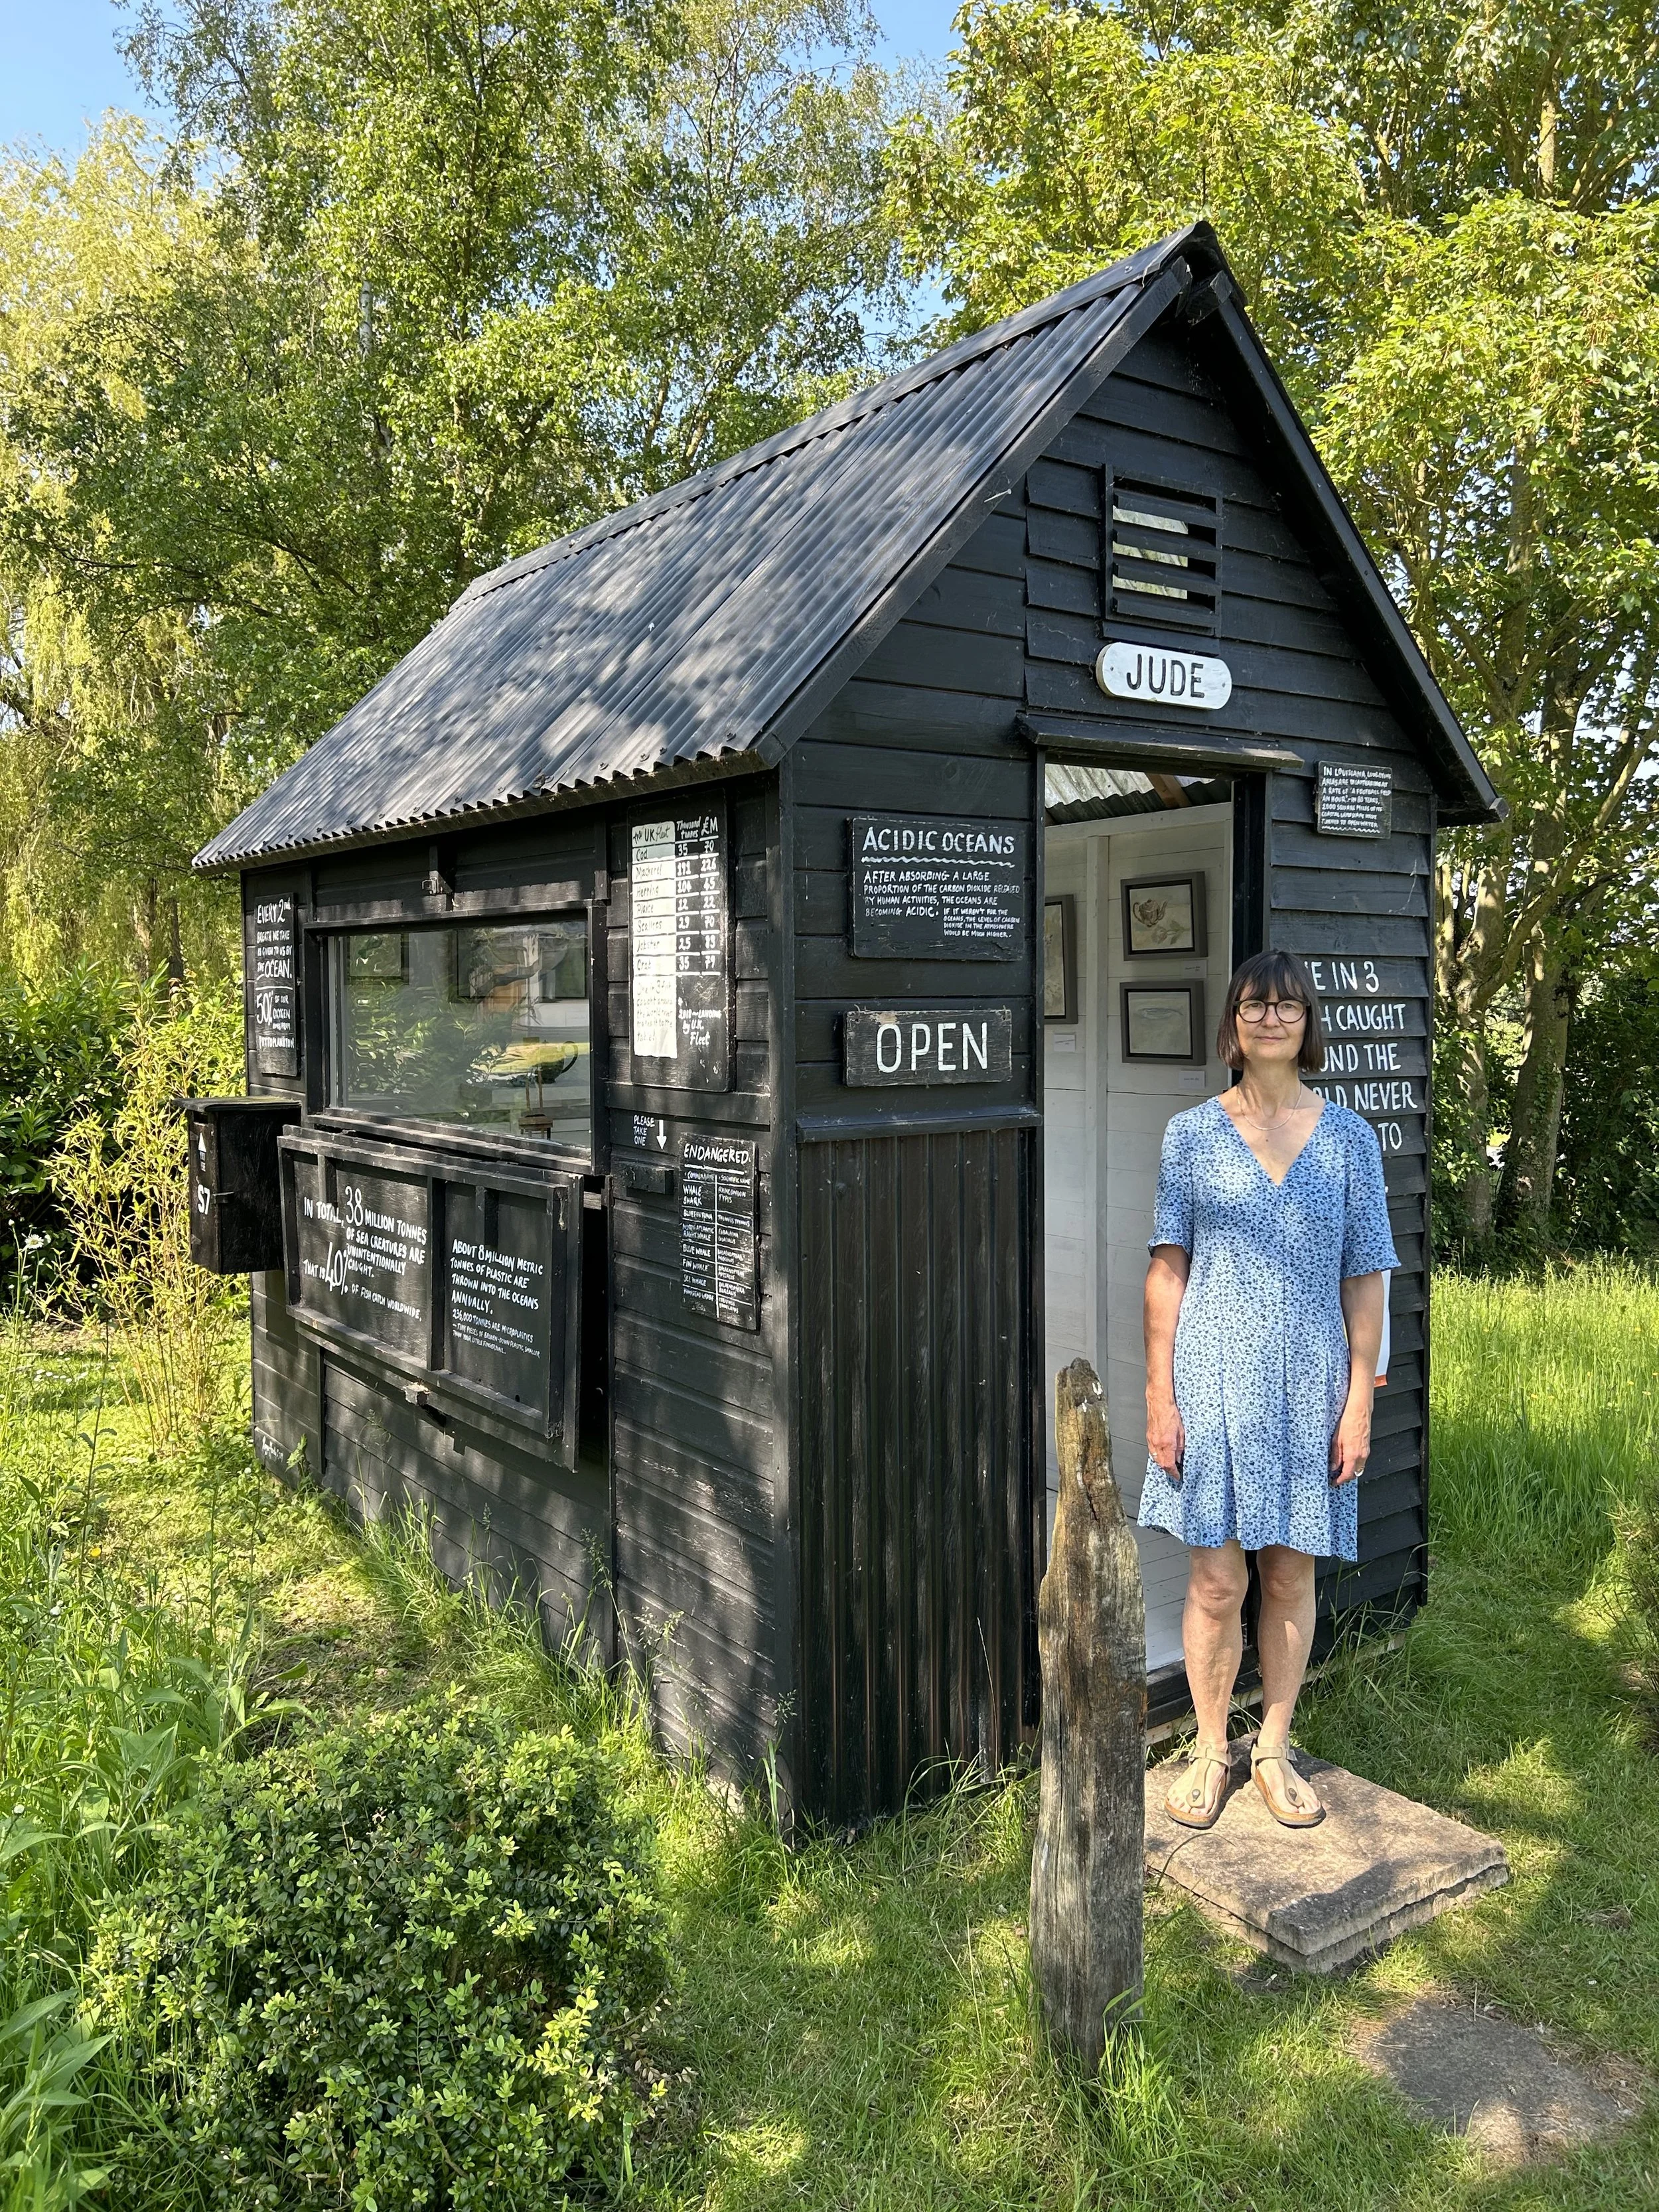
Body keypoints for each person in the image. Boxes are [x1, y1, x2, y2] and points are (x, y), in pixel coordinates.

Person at [1142, 950, 1398, 1829]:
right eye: (1256, 1004)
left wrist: (1360, 1399)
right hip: (1210, 1378)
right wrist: (1158, 1394)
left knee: (1289, 1572)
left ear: (1308, 1023)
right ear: (1234, 1023)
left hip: (1311, 1385)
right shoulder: (1191, 1135)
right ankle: (1211, 1748)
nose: (1272, 1017)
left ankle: (1273, 1751)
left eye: (1288, 1006)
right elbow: (1168, 1269)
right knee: (1216, 1579)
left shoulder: (1352, 1140)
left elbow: (1367, 1279)